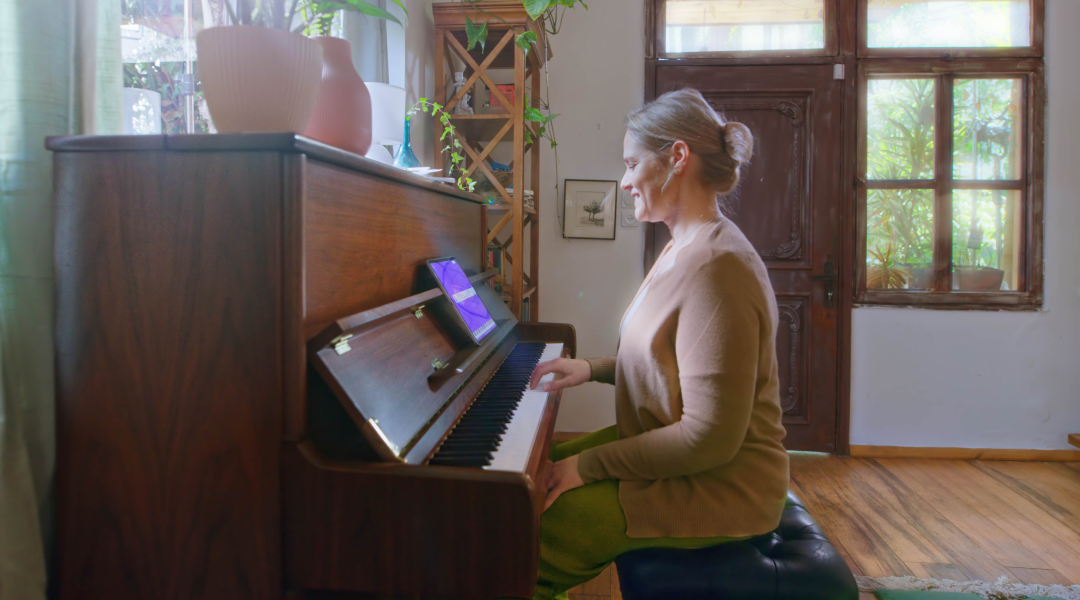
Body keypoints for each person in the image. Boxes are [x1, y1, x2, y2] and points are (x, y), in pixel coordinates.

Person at [526, 88, 790, 600]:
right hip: (684, 457)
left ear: (677, 158)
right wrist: (594, 368)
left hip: (722, 484)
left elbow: (707, 440)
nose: (624, 182)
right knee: (530, 477)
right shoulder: (683, 246)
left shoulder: (719, 267)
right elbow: (667, 357)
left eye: (631, 163)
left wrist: (585, 468)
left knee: (525, 539)